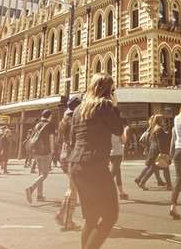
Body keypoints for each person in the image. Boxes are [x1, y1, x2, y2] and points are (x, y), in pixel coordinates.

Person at [67, 74, 124, 249]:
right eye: (112, 90)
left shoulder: (78, 110)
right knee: (110, 216)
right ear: (107, 90)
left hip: (76, 165)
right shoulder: (105, 105)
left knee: (91, 218)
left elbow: (72, 138)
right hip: (95, 165)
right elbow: (118, 129)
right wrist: (114, 106)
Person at [56, 96, 82, 232]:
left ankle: (62, 215)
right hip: (73, 155)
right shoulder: (76, 120)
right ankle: (68, 220)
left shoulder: (64, 120)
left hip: (64, 155)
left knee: (72, 187)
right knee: (73, 188)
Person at [25, 110, 56, 203]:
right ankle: (31, 188)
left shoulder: (37, 124)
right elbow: (51, 138)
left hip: (36, 151)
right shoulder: (50, 124)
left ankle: (39, 195)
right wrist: (52, 150)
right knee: (45, 174)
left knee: (40, 174)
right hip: (45, 151)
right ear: (49, 116)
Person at [135, 114, 172, 190]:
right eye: (162, 119)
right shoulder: (159, 129)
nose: (164, 121)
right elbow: (160, 142)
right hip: (158, 151)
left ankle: (168, 185)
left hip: (153, 150)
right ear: (160, 120)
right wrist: (163, 153)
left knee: (157, 168)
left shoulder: (154, 128)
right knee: (157, 168)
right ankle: (142, 182)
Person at [110, 121, 130, 201]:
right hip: (118, 153)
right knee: (113, 173)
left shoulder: (108, 129)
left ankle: (121, 193)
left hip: (110, 153)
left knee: (117, 172)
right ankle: (102, 189)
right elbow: (124, 140)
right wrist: (125, 131)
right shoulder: (119, 130)